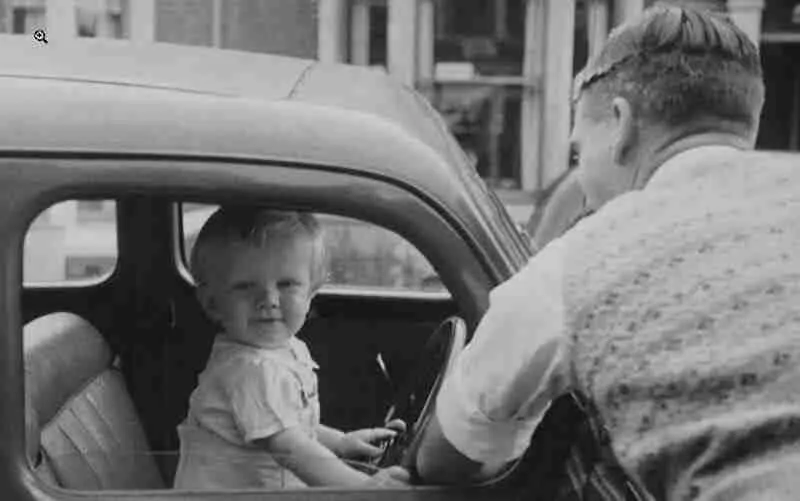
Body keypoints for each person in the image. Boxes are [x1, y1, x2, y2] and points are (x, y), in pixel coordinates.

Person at [417, 5, 800, 499]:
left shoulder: (578, 264)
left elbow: (450, 456)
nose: (580, 176)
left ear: (619, 124)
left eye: (578, 152)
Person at [173, 207, 408, 490]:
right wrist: (363, 488)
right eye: (246, 287)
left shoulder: (284, 350)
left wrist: (341, 443)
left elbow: (294, 425)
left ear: (311, 293)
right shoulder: (250, 370)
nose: (269, 299)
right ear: (212, 303)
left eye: (286, 284)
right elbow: (291, 447)